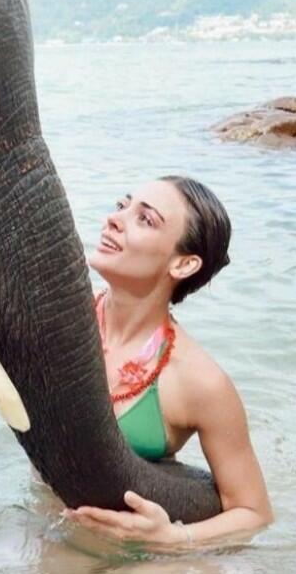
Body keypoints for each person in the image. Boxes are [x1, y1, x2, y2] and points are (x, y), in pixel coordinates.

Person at [64, 176, 273, 546]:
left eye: (145, 219)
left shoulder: (199, 381)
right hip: (45, 530)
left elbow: (254, 513)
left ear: (184, 264)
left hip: (136, 555)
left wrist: (173, 539)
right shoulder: (59, 322)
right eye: (122, 205)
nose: (115, 219)